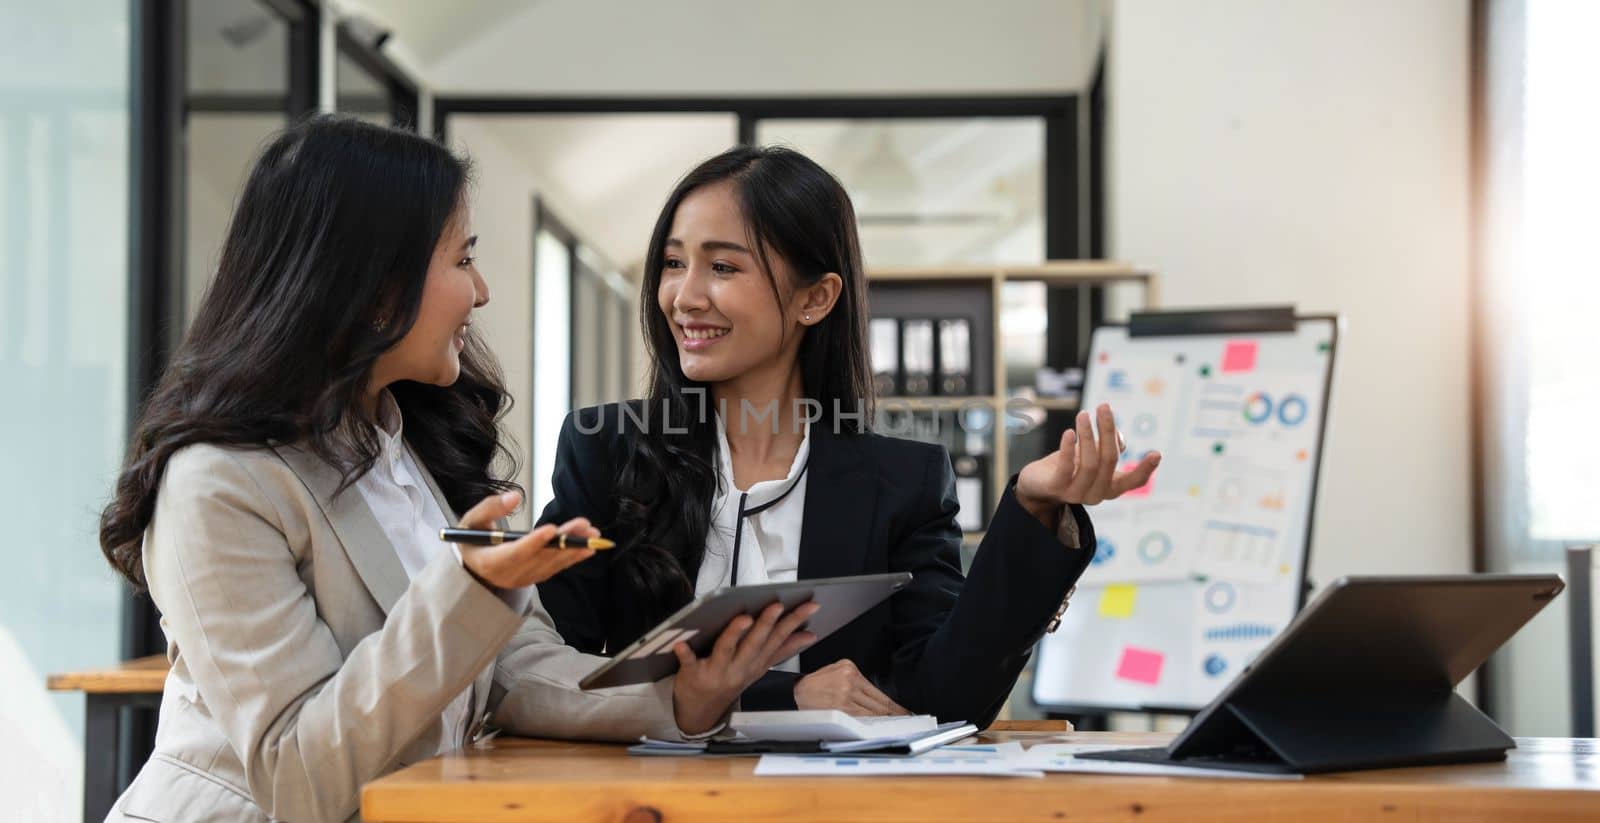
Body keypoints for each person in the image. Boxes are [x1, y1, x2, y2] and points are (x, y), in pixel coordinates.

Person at [96, 118, 810, 823]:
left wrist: (686, 699)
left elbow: (515, 671)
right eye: (463, 259)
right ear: (377, 286)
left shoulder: (402, 448)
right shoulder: (219, 484)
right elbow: (298, 777)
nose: (482, 290)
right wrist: (466, 590)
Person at [536, 145, 1160, 727]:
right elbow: (552, 674)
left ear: (816, 298)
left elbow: (948, 697)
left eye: (722, 265)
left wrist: (1032, 507)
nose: (683, 295)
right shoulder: (607, 450)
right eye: (674, 263)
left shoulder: (904, 482)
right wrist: (787, 698)